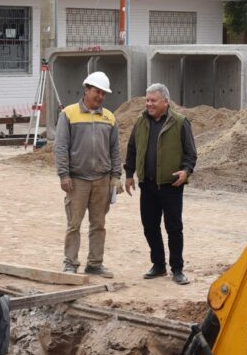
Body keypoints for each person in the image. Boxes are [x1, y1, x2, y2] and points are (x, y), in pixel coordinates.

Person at [123, 83, 197, 285]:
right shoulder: (140, 122)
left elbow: (191, 154)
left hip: (171, 186)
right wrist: (129, 174)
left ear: (165, 101)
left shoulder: (180, 123)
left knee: (174, 228)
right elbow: (131, 149)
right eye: (147, 100)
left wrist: (186, 171)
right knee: (149, 227)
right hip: (147, 185)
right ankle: (158, 265)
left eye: (153, 100)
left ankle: (177, 269)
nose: (149, 104)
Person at [55, 71, 122, 277]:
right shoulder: (68, 114)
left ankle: (94, 263)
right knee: (74, 224)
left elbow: (115, 150)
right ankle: (70, 263)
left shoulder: (109, 118)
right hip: (77, 180)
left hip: (101, 180)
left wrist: (115, 176)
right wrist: (64, 175)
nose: (100, 96)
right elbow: (61, 147)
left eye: (103, 93)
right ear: (86, 90)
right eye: (97, 92)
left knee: (98, 225)